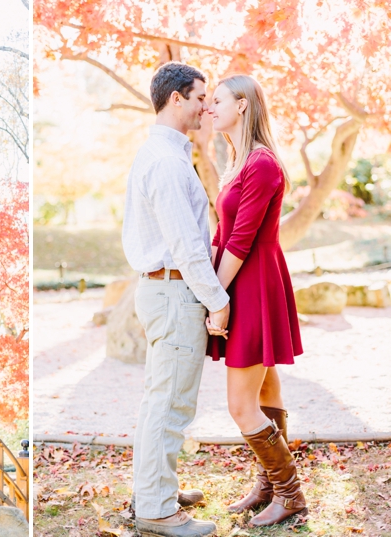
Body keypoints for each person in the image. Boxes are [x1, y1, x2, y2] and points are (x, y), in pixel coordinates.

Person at [121, 61, 230, 537]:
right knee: (171, 403)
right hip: (173, 289)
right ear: (177, 98)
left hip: (162, 288)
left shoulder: (163, 155)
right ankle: (158, 510)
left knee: (160, 399)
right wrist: (217, 299)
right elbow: (185, 245)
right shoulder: (166, 162)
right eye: (201, 96)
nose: (208, 105)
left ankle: (155, 488)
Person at [206, 74, 306, 526]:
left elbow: (241, 241)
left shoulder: (262, 164)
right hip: (243, 279)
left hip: (252, 281)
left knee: (240, 405)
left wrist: (215, 298)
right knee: (264, 388)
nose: (209, 107)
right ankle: (269, 486)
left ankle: (291, 494)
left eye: (218, 100)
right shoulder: (239, 162)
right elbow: (223, 233)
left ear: (243, 105)